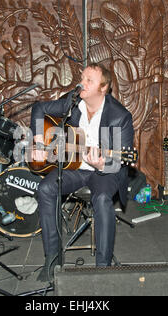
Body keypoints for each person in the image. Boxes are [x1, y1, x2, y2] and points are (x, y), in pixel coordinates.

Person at [30, 63, 135, 282]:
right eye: (82, 77)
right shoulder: (73, 101)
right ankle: (52, 260)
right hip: (74, 167)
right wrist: (39, 140)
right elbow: (39, 108)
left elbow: (120, 162)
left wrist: (101, 165)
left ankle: (102, 268)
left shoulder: (119, 116)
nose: (82, 83)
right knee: (46, 188)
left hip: (103, 171)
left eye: (89, 80)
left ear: (103, 88)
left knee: (103, 197)